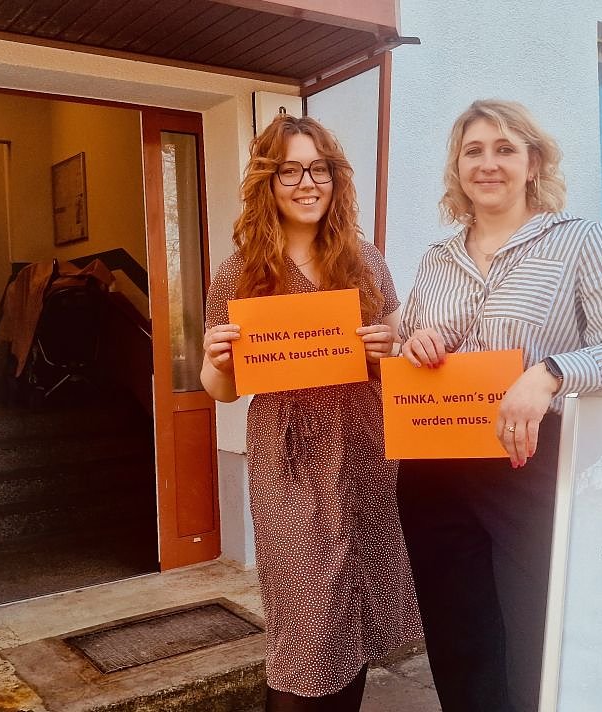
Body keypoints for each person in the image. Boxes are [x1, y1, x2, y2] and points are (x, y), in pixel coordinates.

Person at [396, 99, 602, 712]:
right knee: (458, 641)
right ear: (457, 168)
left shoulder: (577, 241)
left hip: (529, 468)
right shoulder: (436, 259)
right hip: (433, 470)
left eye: (505, 149)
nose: (487, 164)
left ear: (534, 162)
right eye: (473, 151)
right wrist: (415, 343)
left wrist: (551, 373)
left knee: (537, 639)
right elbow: (407, 343)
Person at [201, 115, 422, 711]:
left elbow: (399, 356)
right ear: (268, 183)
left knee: (355, 606)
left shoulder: (366, 261)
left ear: (335, 178)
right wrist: (218, 360)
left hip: (365, 451)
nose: (307, 183)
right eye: (290, 171)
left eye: (319, 169)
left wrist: (389, 349)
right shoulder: (241, 271)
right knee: (306, 618)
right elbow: (220, 389)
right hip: (290, 458)